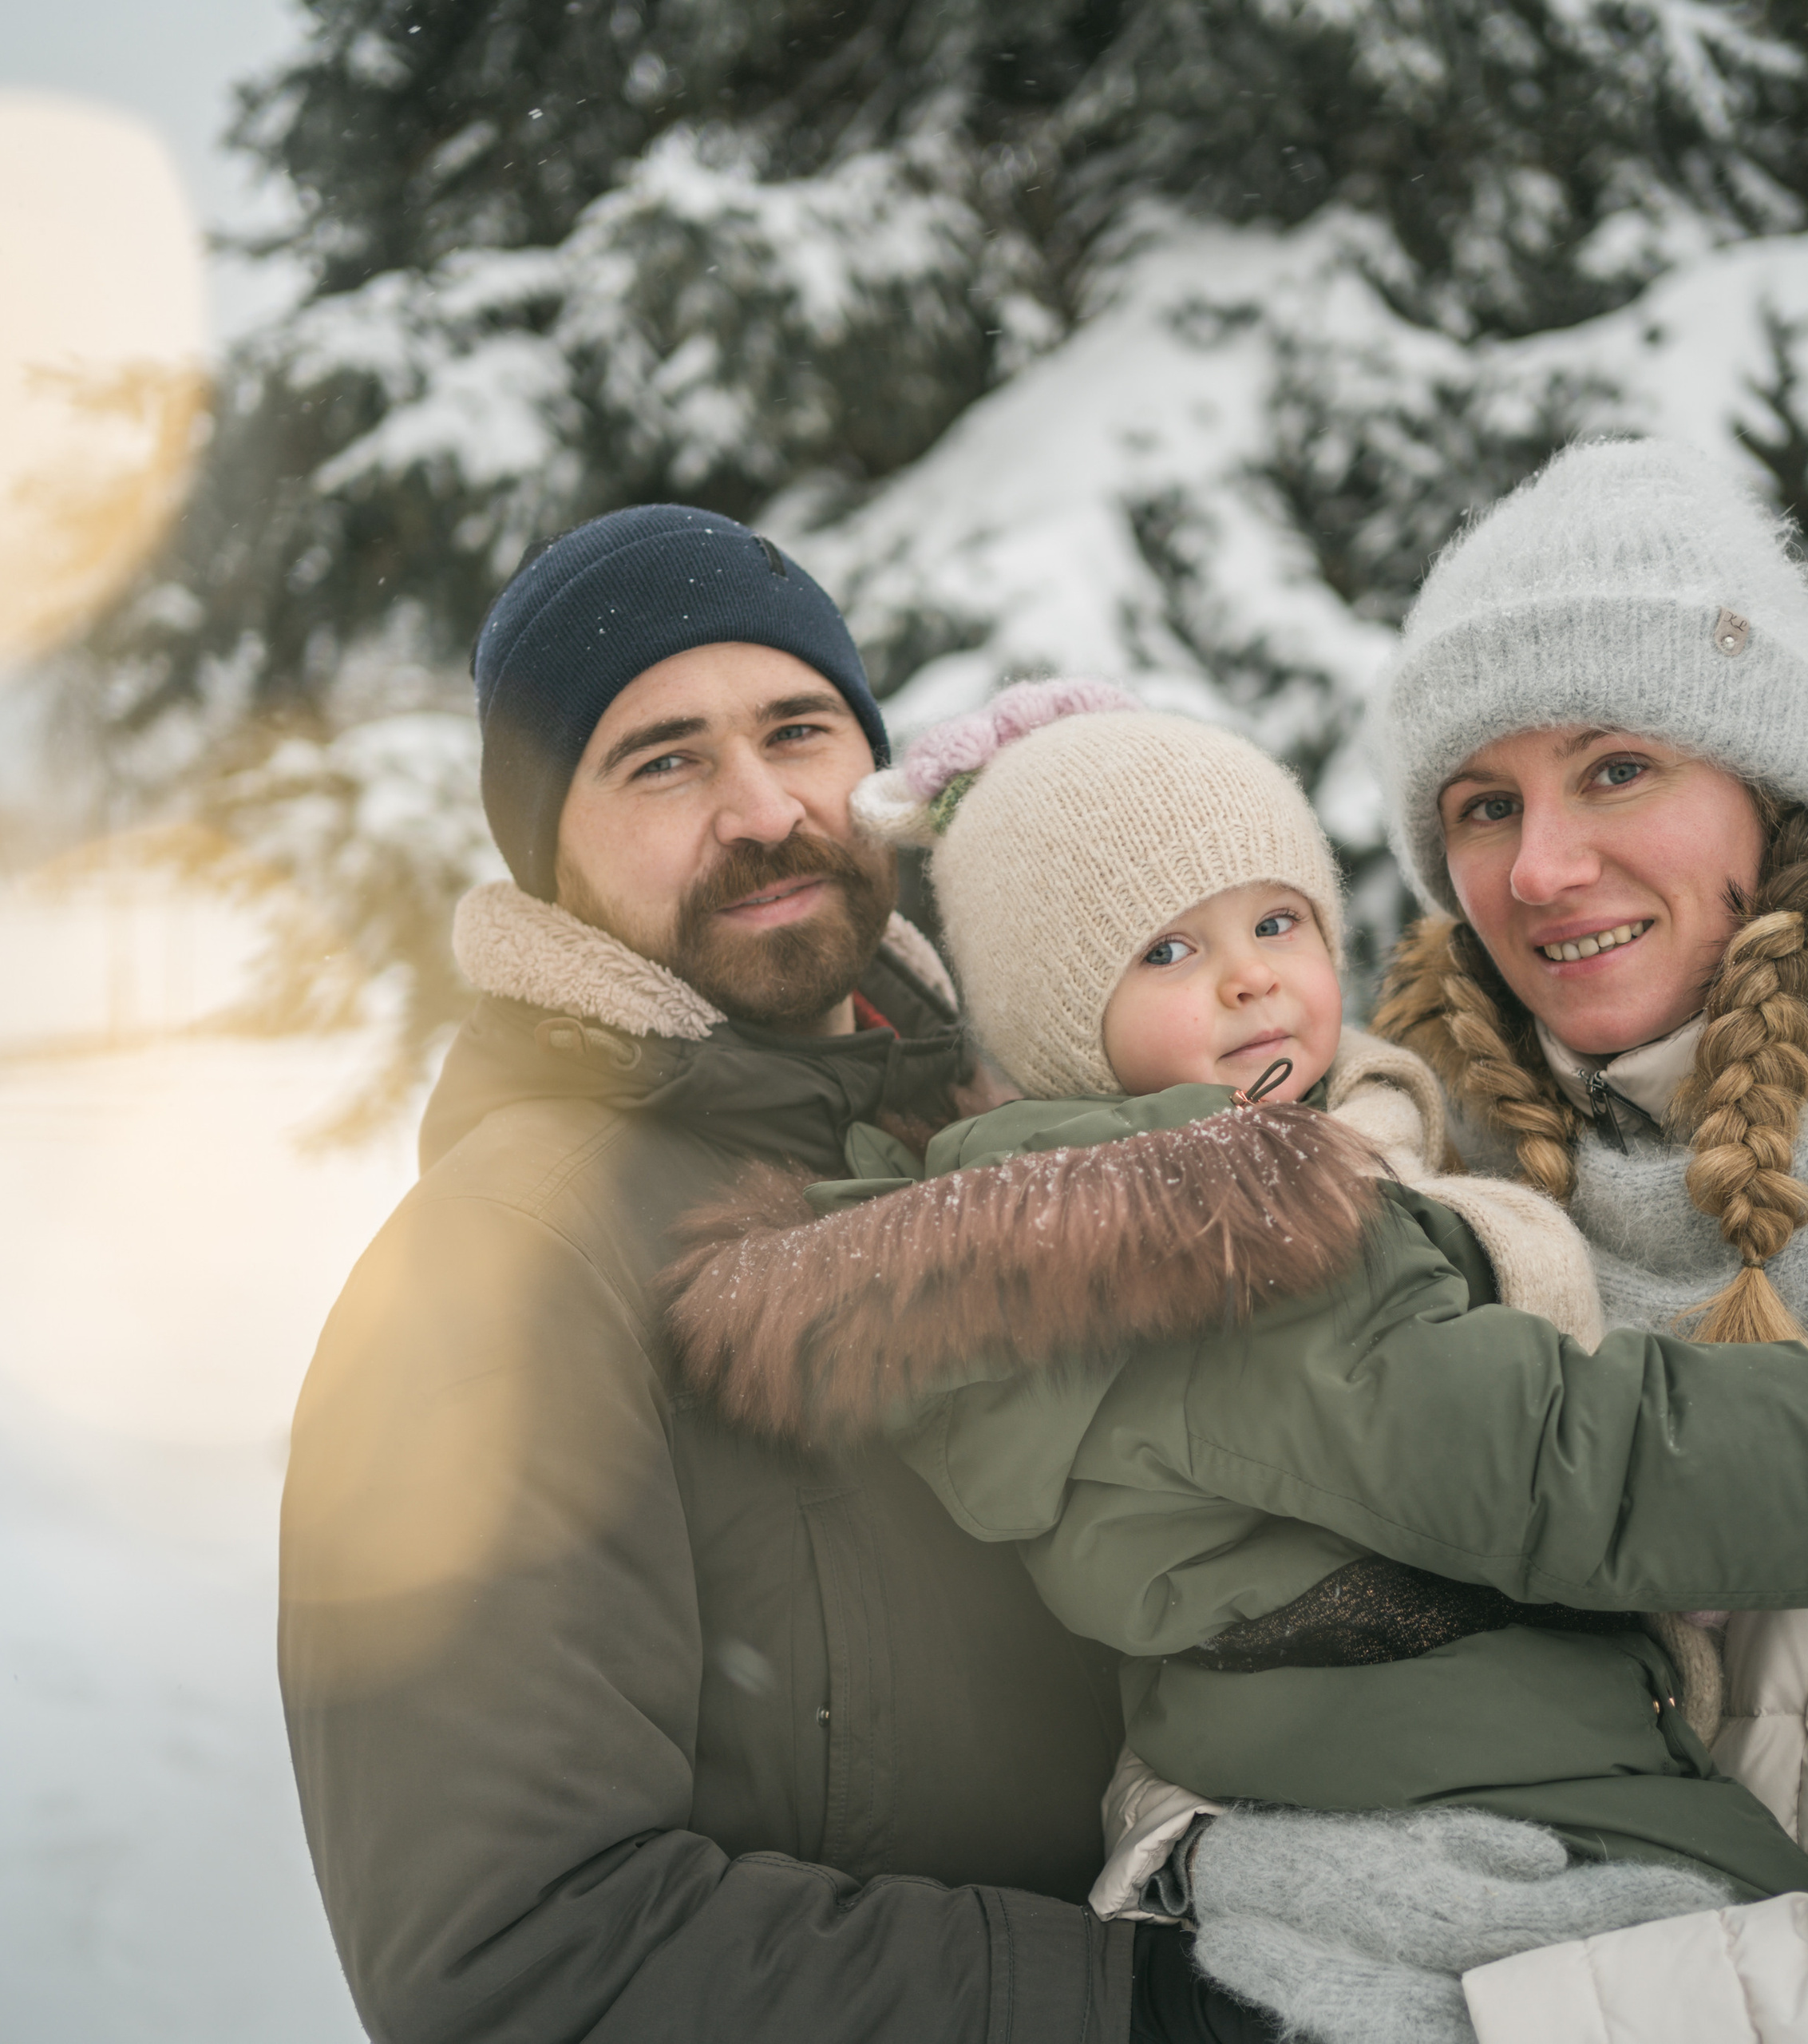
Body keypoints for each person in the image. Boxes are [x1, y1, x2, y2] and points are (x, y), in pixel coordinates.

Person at [662, 684, 1808, 2040]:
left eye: (1276, 920)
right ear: (1051, 1027)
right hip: (1485, 1804)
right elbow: (1544, 1459)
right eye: (1165, 952)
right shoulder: (1223, 1242)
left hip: (1351, 1786)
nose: (1252, 973)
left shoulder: (1087, 1218)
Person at [278, 506, 1277, 2043]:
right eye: (661, 760)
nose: (760, 810)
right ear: (546, 855)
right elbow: (518, 1959)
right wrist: (1144, 2010)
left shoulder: (1015, 1134)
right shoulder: (504, 1266)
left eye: (799, 731)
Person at [1370, 437, 1808, 2039]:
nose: (1537, 868)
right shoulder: (1406, 1206)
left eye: (1615, 767)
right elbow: (1187, 1725)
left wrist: (1492, 2019)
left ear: (1774, 795)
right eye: (1482, 802)